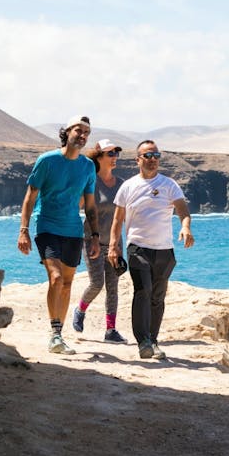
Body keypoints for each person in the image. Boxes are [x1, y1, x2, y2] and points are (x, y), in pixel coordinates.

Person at [18, 115, 99, 354]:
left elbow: (91, 205)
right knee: (55, 278)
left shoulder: (87, 167)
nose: (82, 136)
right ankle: (54, 333)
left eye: (86, 133)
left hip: (73, 230)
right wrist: (23, 230)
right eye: (78, 130)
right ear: (67, 132)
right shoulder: (47, 160)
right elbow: (30, 197)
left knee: (67, 283)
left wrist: (95, 236)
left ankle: (59, 334)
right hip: (47, 226)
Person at [108, 140, 194, 360]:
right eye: (148, 155)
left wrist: (185, 228)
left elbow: (183, 211)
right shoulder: (128, 186)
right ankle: (143, 341)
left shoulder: (169, 184)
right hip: (137, 247)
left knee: (157, 297)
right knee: (142, 291)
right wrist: (113, 247)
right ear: (138, 160)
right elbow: (118, 220)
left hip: (164, 250)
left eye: (156, 155)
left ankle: (153, 340)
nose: (153, 159)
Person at [72, 139, 128, 343]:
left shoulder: (122, 184)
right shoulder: (90, 182)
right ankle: (80, 310)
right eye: (110, 153)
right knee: (97, 283)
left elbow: (125, 213)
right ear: (99, 157)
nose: (114, 157)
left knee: (113, 287)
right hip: (91, 240)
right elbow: (77, 206)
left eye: (116, 153)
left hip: (114, 243)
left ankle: (111, 330)